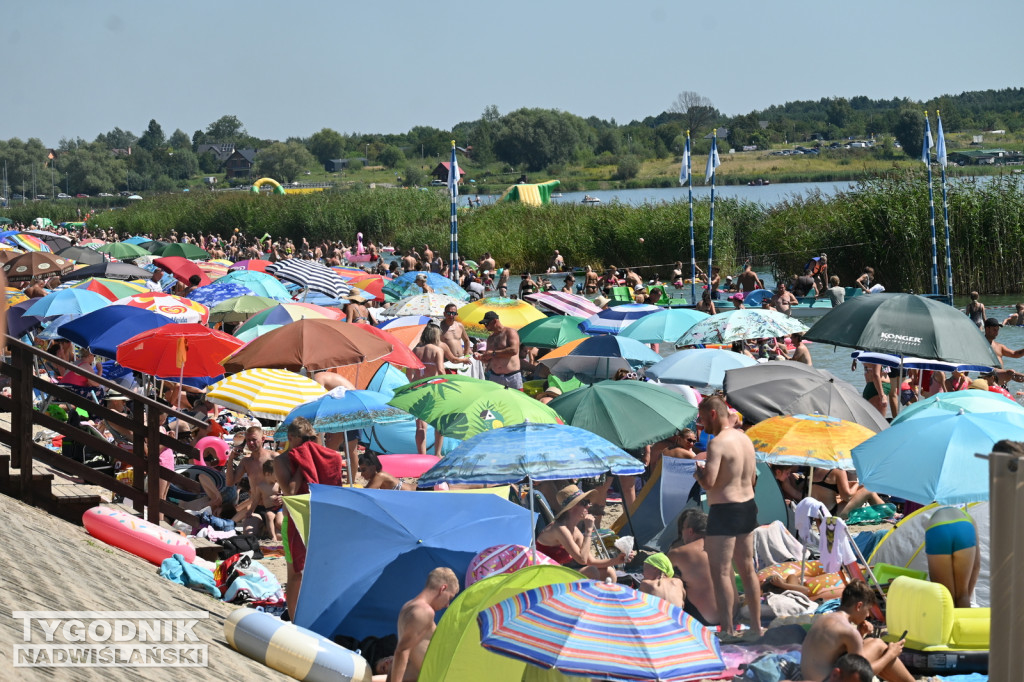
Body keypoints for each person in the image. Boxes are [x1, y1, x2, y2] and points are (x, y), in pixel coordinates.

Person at [693, 395, 761, 641]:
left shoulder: (717, 443)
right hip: (747, 506)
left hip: (724, 510)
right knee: (748, 570)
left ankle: (729, 630)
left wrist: (698, 474)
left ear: (713, 414)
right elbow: (753, 479)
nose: (702, 425)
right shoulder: (745, 439)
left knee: (721, 573)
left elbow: (709, 483)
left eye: (702, 419)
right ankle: (755, 627)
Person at [274, 417, 345, 620]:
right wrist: (304, 466)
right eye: (305, 440)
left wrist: (308, 460)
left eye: (311, 439)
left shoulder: (317, 457)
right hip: (293, 521)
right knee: (296, 573)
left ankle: (316, 615)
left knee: (321, 571)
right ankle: (295, 619)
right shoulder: (281, 461)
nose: (309, 445)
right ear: (291, 438)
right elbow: (290, 492)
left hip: (318, 520)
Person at [799, 581, 912, 682]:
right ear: (859, 606)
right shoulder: (849, 632)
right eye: (867, 610)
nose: (868, 615)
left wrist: (860, 633)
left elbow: (839, 654)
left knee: (871, 642)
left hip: (808, 676)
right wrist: (891, 654)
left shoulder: (824, 619)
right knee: (879, 646)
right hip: (829, 680)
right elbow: (860, 675)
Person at [535, 484, 634, 581]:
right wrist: (588, 531)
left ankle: (606, 597)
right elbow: (582, 560)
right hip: (545, 576)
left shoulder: (574, 530)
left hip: (559, 573)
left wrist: (617, 560)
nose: (589, 505)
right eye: (584, 502)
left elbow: (590, 560)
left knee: (609, 572)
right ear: (572, 507)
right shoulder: (560, 529)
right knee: (591, 571)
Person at [386, 567, 460, 682]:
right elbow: (402, 651)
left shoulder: (408, 606)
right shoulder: (424, 612)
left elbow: (406, 653)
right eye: (449, 597)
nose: (447, 605)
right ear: (443, 588)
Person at [666, 509, 719, 627]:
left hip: (705, 618)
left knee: (668, 583)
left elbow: (661, 577)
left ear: (690, 531)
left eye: (682, 530)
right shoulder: (721, 546)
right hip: (731, 615)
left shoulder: (678, 553)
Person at [924, 506, 981, 608]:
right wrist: (966, 595)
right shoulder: (969, 518)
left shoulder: (934, 517)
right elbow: (976, 565)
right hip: (964, 528)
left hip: (937, 527)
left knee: (945, 597)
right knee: (962, 596)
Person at [408, 325, 450, 455]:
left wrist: (414, 384)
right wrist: (447, 384)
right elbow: (441, 370)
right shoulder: (437, 350)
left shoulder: (415, 350)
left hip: (419, 388)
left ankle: (422, 456)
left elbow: (409, 373)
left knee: (420, 426)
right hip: (434, 387)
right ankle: (437, 454)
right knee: (439, 422)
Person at [474, 311, 522, 389]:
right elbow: (489, 359)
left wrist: (493, 353)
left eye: (486, 324)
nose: (485, 326)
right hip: (495, 376)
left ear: (494, 321)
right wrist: (481, 357)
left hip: (511, 376)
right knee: (494, 401)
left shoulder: (510, 332)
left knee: (517, 400)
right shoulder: (490, 338)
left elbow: (514, 350)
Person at [811, 468, 885, 516]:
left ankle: (889, 512)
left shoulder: (814, 470)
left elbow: (825, 490)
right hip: (832, 514)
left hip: (816, 513)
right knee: (867, 489)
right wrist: (857, 483)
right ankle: (889, 513)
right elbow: (847, 497)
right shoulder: (838, 471)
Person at [250, 459, 284, 541]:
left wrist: (282, 496)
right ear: (267, 474)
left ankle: (291, 533)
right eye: (276, 475)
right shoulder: (260, 486)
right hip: (269, 509)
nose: (278, 477)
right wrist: (250, 511)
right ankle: (273, 537)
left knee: (279, 522)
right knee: (269, 516)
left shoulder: (278, 483)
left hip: (279, 507)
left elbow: (284, 493)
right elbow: (256, 500)